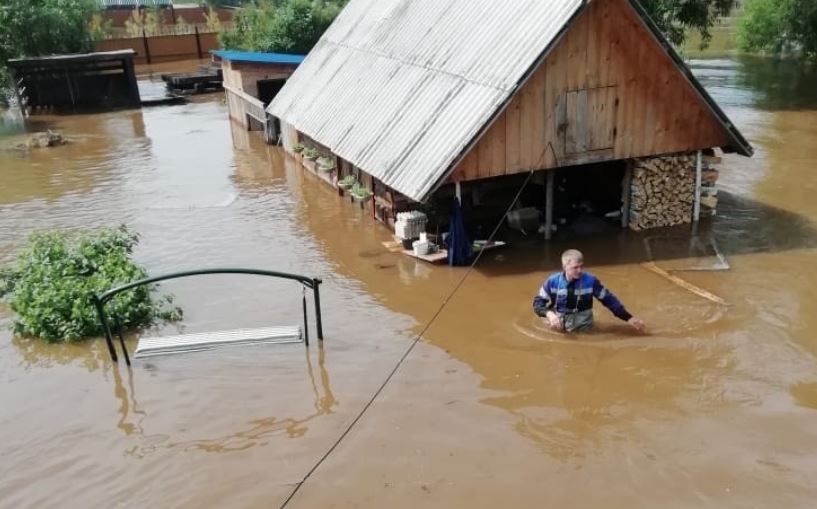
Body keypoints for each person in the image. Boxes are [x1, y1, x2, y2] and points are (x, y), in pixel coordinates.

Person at [533, 249, 645, 333]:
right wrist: (549, 314)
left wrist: (629, 318)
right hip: (557, 324)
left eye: (581, 266)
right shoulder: (552, 282)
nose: (580, 270)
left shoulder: (591, 281)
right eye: (575, 267)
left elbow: (609, 300)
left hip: (583, 325)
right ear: (564, 267)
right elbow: (538, 304)